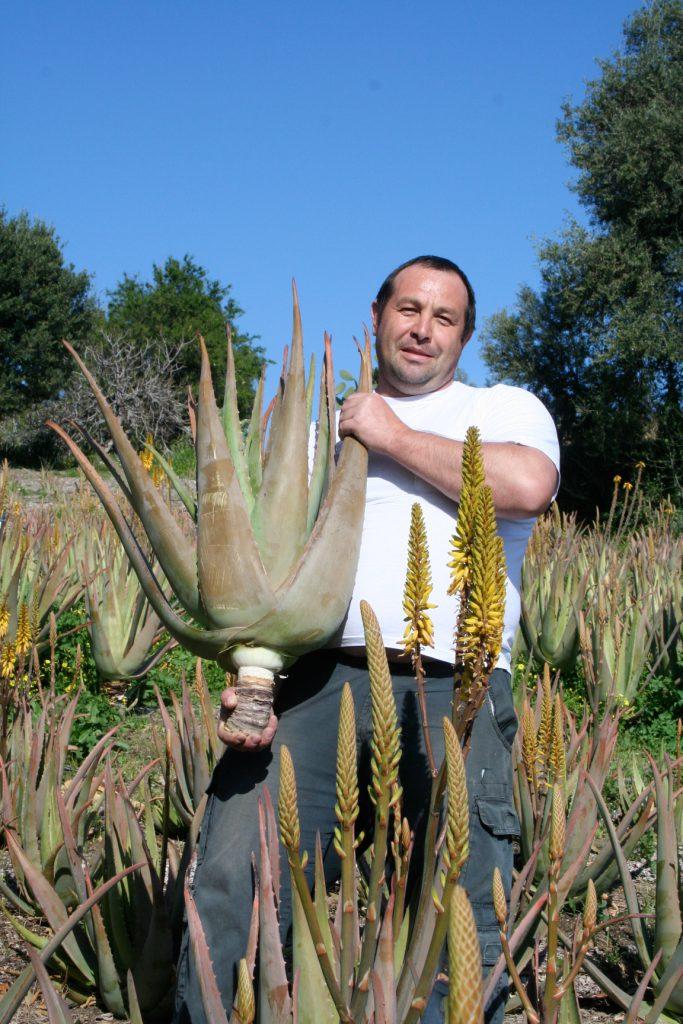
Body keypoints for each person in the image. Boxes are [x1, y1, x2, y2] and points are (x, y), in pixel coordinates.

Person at [174, 255, 560, 1024]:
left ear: (464, 336)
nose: (422, 330)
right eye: (408, 310)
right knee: (236, 871)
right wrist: (250, 674)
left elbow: (526, 486)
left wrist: (388, 433)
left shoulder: (502, 408)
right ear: (377, 316)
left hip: (459, 678)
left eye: (443, 318)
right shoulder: (314, 439)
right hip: (315, 681)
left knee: (459, 893)